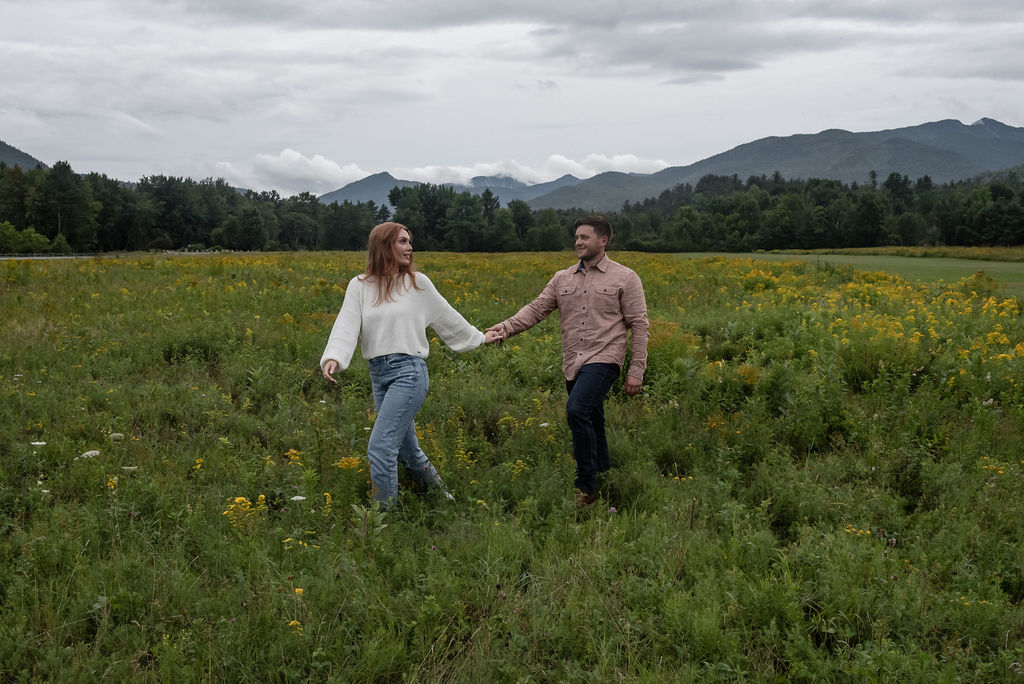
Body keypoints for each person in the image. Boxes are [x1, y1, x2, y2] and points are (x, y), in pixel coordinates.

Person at [321, 222, 502, 508]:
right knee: (407, 450)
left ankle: (384, 519)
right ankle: (445, 502)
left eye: (409, 242)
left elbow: (447, 316)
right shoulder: (360, 286)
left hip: (409, 372)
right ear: (385, 246)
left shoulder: (418, 284)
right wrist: (334, 356)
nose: (410, 247)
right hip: (379, 374)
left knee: (380, 447)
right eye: (403, 242)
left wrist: (479, 338)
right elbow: (346, 323)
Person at [487, 215, 649, 508]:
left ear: (603, 241)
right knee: (592, 417)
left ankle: (585, 488)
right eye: (576, 237)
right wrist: (505, 328)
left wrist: (636, 370)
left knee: (576, 411)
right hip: (573, 360)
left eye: (584, 237)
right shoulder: (562, 278)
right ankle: (604, 472)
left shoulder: (625, 277)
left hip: (605, 358)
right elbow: (536, 309)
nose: (578, 242)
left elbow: (639, 324)